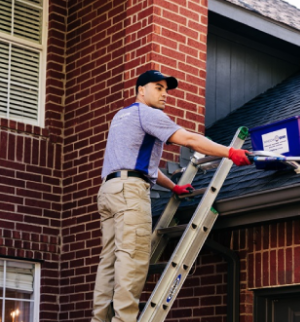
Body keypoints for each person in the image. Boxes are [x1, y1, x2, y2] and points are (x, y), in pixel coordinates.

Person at [91, 70, 251, 322]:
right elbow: (188, 139)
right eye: (158, 87)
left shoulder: (121, 116)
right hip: (129, 192)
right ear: (141, 90)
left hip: (109, 192)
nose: (165, 94)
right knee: (131, 259)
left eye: (166, 89)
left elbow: (140, 166)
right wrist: (229, 152)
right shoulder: (150, 113)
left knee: (109, 262)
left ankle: (99, 319)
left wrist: (173, 187)